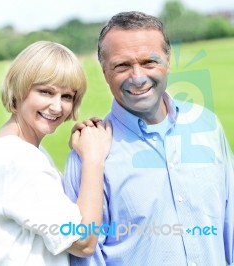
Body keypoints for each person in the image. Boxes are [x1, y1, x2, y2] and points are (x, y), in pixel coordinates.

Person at [63, 11, 234, 265]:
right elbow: (86, 258)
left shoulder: (207, 126)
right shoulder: (89, 155)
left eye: (149, 62)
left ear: (168, 60)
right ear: (104, 71)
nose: (138, 76)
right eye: (122, 65)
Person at [0, 41, 112, 265]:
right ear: (19, 88)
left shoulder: (15, 149)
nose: (57, 107)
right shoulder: (19, 160)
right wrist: (93, 159)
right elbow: (84, 240)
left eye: (67, 96)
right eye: (46, 92)